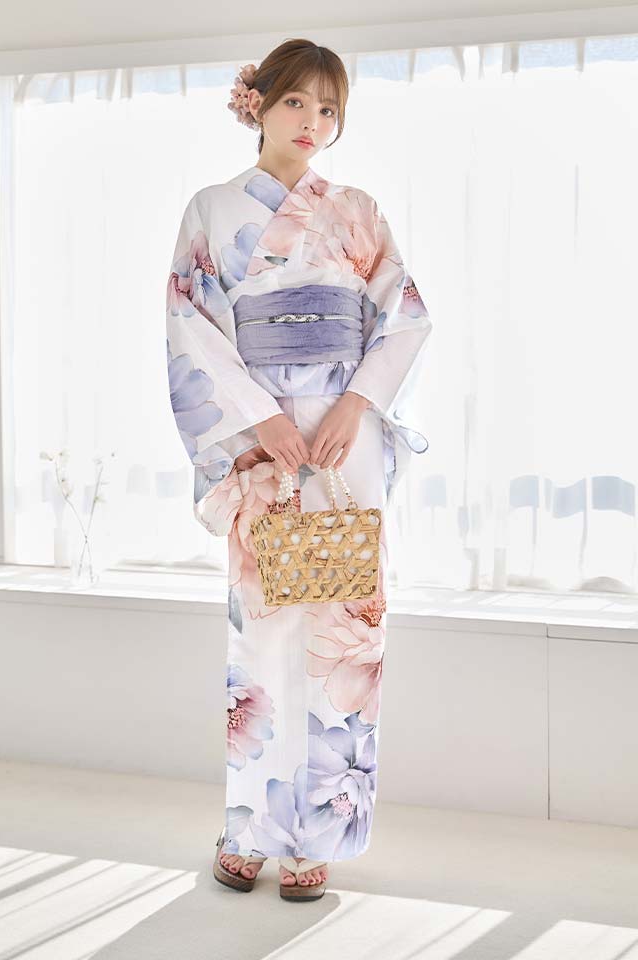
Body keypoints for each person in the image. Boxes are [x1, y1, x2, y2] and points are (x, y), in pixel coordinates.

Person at [165, 38, 432, 901]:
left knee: (344, 624)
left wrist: (357, 404)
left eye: (328, 109)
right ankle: (249, 826)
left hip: (344, 440)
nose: (313, 122)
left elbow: (405, 317)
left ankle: (318, 833)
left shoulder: (356, 210)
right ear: (258, 103)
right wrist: (262, 422)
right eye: (296, 102)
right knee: (263, 627)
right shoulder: (212, 210)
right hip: (260, 441)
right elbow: (191, 324)